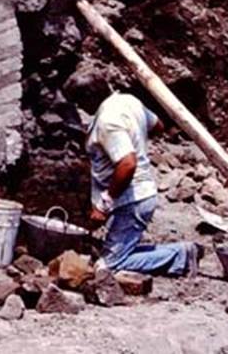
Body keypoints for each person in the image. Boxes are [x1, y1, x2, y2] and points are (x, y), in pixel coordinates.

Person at [86, 91, 202, 276]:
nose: (82, 109)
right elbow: (158, 126)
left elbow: (128, 164)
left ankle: (181, 255)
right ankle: (177, 253)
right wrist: (135, 139)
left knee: (108, 267)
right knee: (117, 254)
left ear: (88, 98)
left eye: (81, 103)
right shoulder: (128, 101)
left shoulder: (108, 122)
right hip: (140, 194)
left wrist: (103, 204)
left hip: (133, 200)